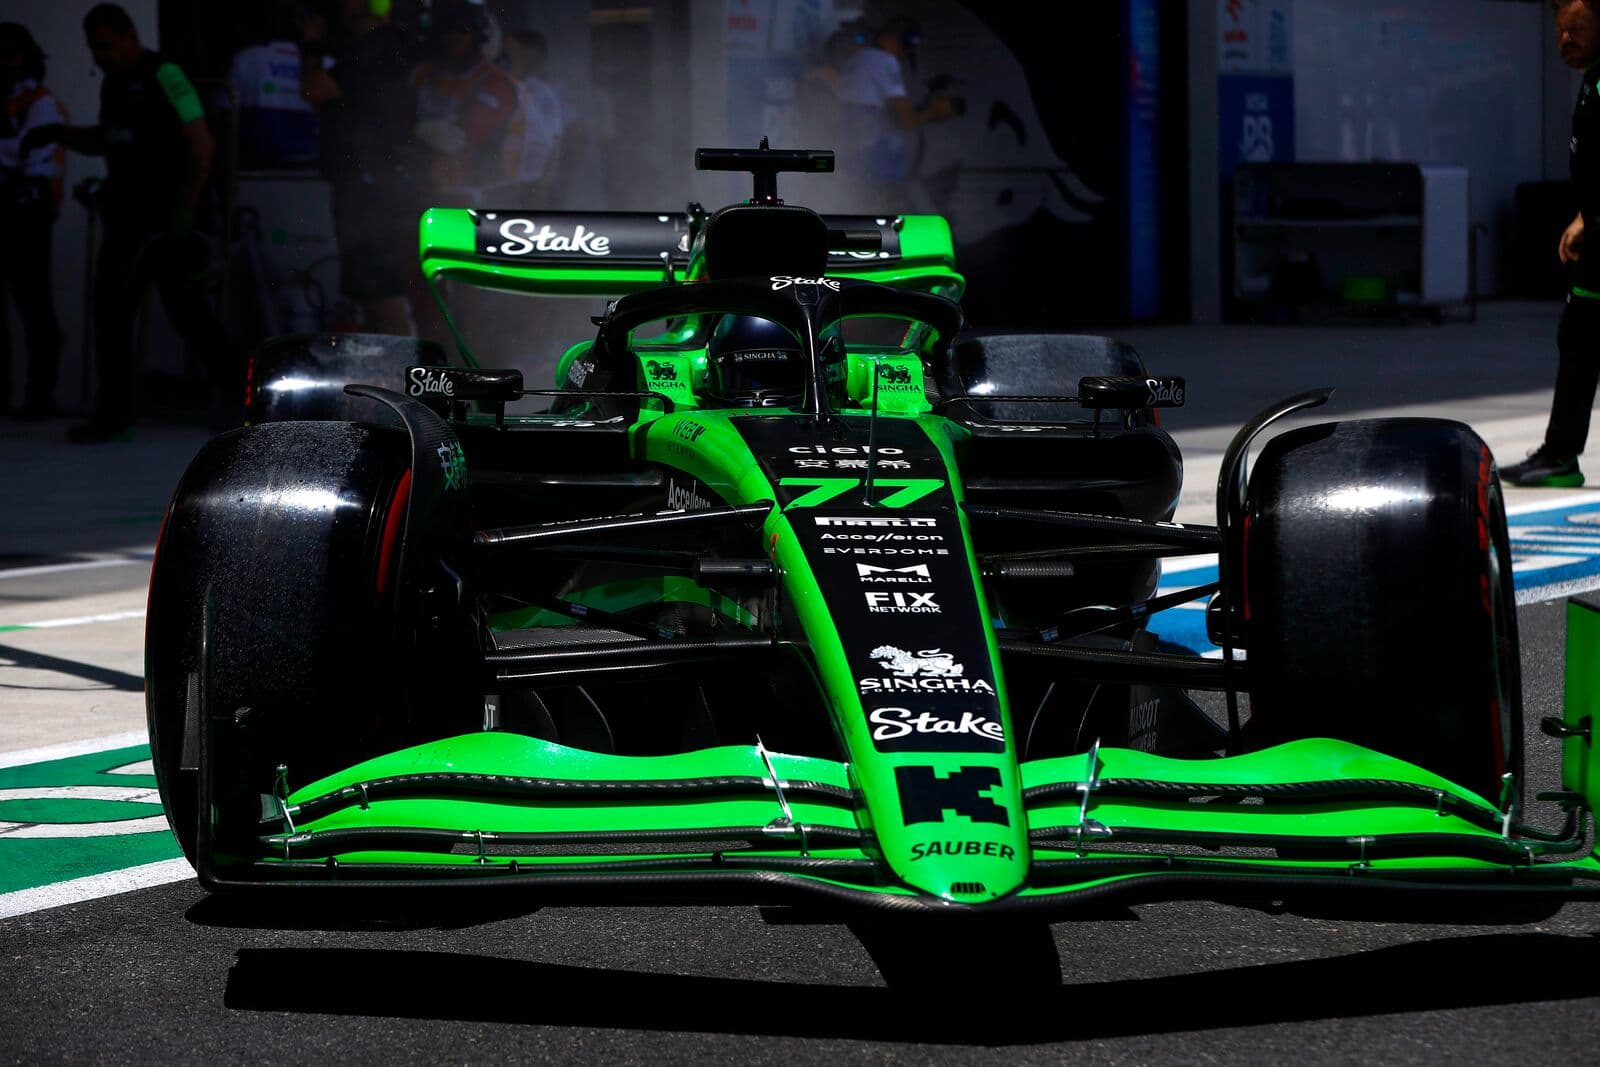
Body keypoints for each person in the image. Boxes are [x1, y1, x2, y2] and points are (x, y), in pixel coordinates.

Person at [22, 3, 232, 442]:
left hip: (171, 217)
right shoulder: (114, 85)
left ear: (130, 36)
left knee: (188, 313)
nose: (99, 56)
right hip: (128, 217)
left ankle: (243, 399)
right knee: (112, 312)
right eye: (93, 48)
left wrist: (185, 211)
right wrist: (59, 134)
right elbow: (111, 138)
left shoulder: (167, 75)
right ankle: (113, 413)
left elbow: (202, 143)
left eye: (105, 45)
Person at [1506, 0, 1600, 486]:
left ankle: (1561, 453)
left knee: (1581, 337)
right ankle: (1561, 455)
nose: (1566, 41)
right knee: (1579, 338)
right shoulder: (1593, 82)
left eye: (1577, 30)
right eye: (1562, 31)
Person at [299, 0, 423, 336]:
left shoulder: (374, 49)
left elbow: (312, 89)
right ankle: (392, 371)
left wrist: (311, 45)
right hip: (375, 183)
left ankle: (406, 373)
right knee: (371, 291)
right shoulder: (392, 45)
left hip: (371, 187)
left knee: (380, 289)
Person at [0, 22, 66, 419]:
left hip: (28, 211)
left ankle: (40, 396)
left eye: (9, 54)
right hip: (12, 206)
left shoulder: (39, 101)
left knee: (34, 305)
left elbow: (30, 156)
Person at [834, 14, 956, 207]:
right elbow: (907, 119)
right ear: (897, 38)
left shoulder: (857, 60)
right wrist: (935, 112)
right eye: (909, 44)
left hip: (852, 160)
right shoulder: (884, 61)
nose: (907, 53)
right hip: (874, 166)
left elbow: (882, 113)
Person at [496, 29, 564, 206]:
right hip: (497, 183)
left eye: (520, 51)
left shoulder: (541, 93)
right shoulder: (495, 86)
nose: (514, 56)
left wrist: (544, 184)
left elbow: (554, 141)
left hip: (530, 183)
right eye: (509, 50)